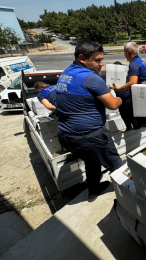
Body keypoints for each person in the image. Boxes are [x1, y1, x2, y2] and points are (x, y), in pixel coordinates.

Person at [56, 41, 123, 202]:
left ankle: (93, 190)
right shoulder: (91, 78)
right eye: (97, 60)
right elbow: (112, 104)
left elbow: (81, 91)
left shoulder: (67, 73)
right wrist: (119, 96)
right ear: (82, 58)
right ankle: (130, 196)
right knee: (117, 166)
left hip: (66, 135)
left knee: (91, 161)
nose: (102, 64)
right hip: (89, 135)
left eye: (102, 59)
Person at [112, 42, 146, 137]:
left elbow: (132, 82)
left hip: (145, 95)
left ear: (129, 52)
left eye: (125, 53)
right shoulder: (141, 61)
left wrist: (119, 88)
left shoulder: (133, 64)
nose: (125, 55)